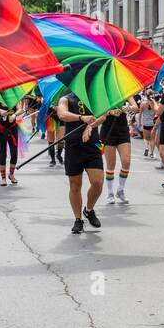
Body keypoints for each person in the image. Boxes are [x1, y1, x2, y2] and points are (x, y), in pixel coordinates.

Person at [55, 92, 104, 234]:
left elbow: (103, 115)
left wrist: (90, 126)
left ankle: (88, 210)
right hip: (73, 145)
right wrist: (82, 118)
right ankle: (78, 219)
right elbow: (62, 115)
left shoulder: (94, 95)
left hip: (94, 144)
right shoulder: (66, 99)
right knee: (75, 185)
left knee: (98, 182)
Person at [98, 104, 132, 204]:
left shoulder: (125, 92)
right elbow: (97, 111)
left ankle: (120, 190)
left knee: (126, 162)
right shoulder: (104, 93)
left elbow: (135, 106)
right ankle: (110, 193)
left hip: (123, 131)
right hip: (108, 131)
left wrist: (127, 108)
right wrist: (110, 112)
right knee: (111, 164)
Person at [0, 96, 22, 186]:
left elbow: (20, 109)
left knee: (14, 153)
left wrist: (14, 115)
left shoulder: (15, 98)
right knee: (3, 153)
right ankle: (3, 178)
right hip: (0, 129)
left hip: (12, 128)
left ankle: (11, 174)